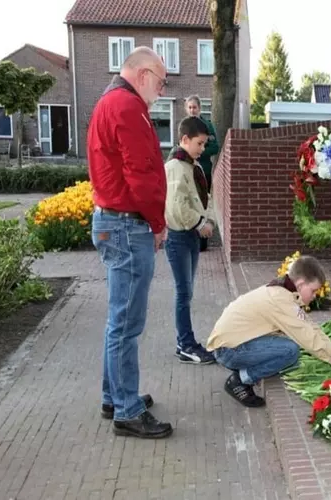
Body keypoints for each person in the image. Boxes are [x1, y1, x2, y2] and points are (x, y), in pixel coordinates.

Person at [88, 46, 172, 439]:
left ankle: (114, 395)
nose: (162, 87)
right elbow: (141, 175)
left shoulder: (110, 102)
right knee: (127, 323)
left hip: (113, 222)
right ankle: (127, 409)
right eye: (161, 79)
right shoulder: (127, 107)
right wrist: (157, 223)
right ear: (142, 75)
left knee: (118, 319)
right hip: (127, 225)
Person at [207, 255, 331, 407]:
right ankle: (240, 380)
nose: (314, 296)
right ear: (300, 284)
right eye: (313, 290)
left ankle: (244, 370)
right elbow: (308, 337)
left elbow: (310, 327)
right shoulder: (281, 300)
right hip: (228, 351)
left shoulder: (282, 290)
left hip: (230, 345)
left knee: (289, 342)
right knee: (290, 351)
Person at [164, 116, 217, 364]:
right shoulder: (175, 167)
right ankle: (185, 344)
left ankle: (185, 342)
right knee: (183, 293)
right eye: (199, 143)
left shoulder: (191, 165)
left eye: (205, 144)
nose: (203, 149)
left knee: (187, 292)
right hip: (180, 237)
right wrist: (200, 224)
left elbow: (201, 197)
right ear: (184, 139)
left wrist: (209, 221)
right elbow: (176, 207)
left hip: (191, 237)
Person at [184, 95, 220, 251]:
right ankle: (189, 238)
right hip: (187, 170)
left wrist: (198, 151)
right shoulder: (184, 126)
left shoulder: (207, 126)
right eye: (190, 107)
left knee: (203, 204)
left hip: (203, 171)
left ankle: (203, 242)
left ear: (199, 108)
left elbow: (215, 147)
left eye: (195, 107)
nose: (192, 110)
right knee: (189, 203)